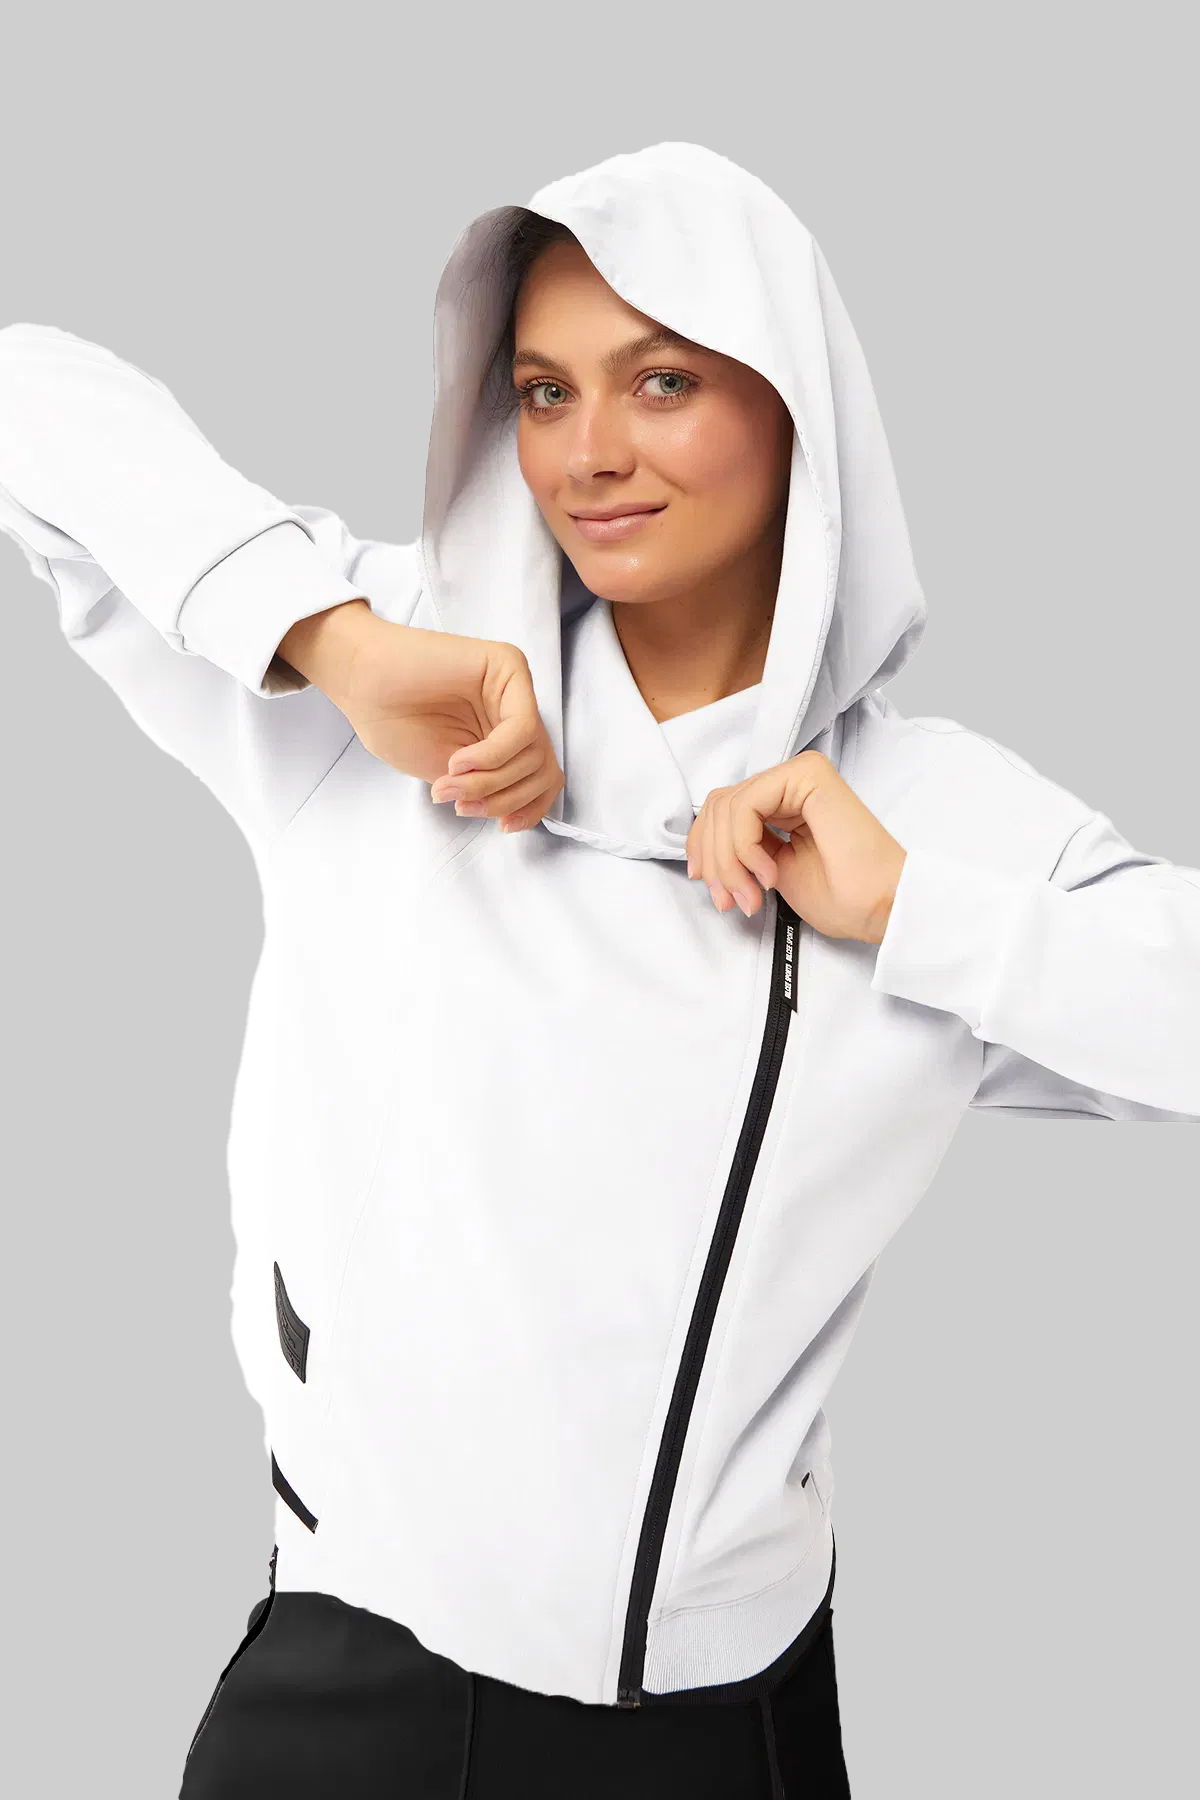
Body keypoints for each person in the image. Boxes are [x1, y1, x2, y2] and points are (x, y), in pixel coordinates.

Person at [1, 140, 1196, 1799]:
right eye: (545, 391)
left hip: (717, 1726)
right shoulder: (389, 680)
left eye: (663, 381)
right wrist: (331, 641)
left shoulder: (932, 821)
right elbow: (26, 398)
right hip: (350, 1682)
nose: (592, 453)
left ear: (798, 409)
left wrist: (910, 908)